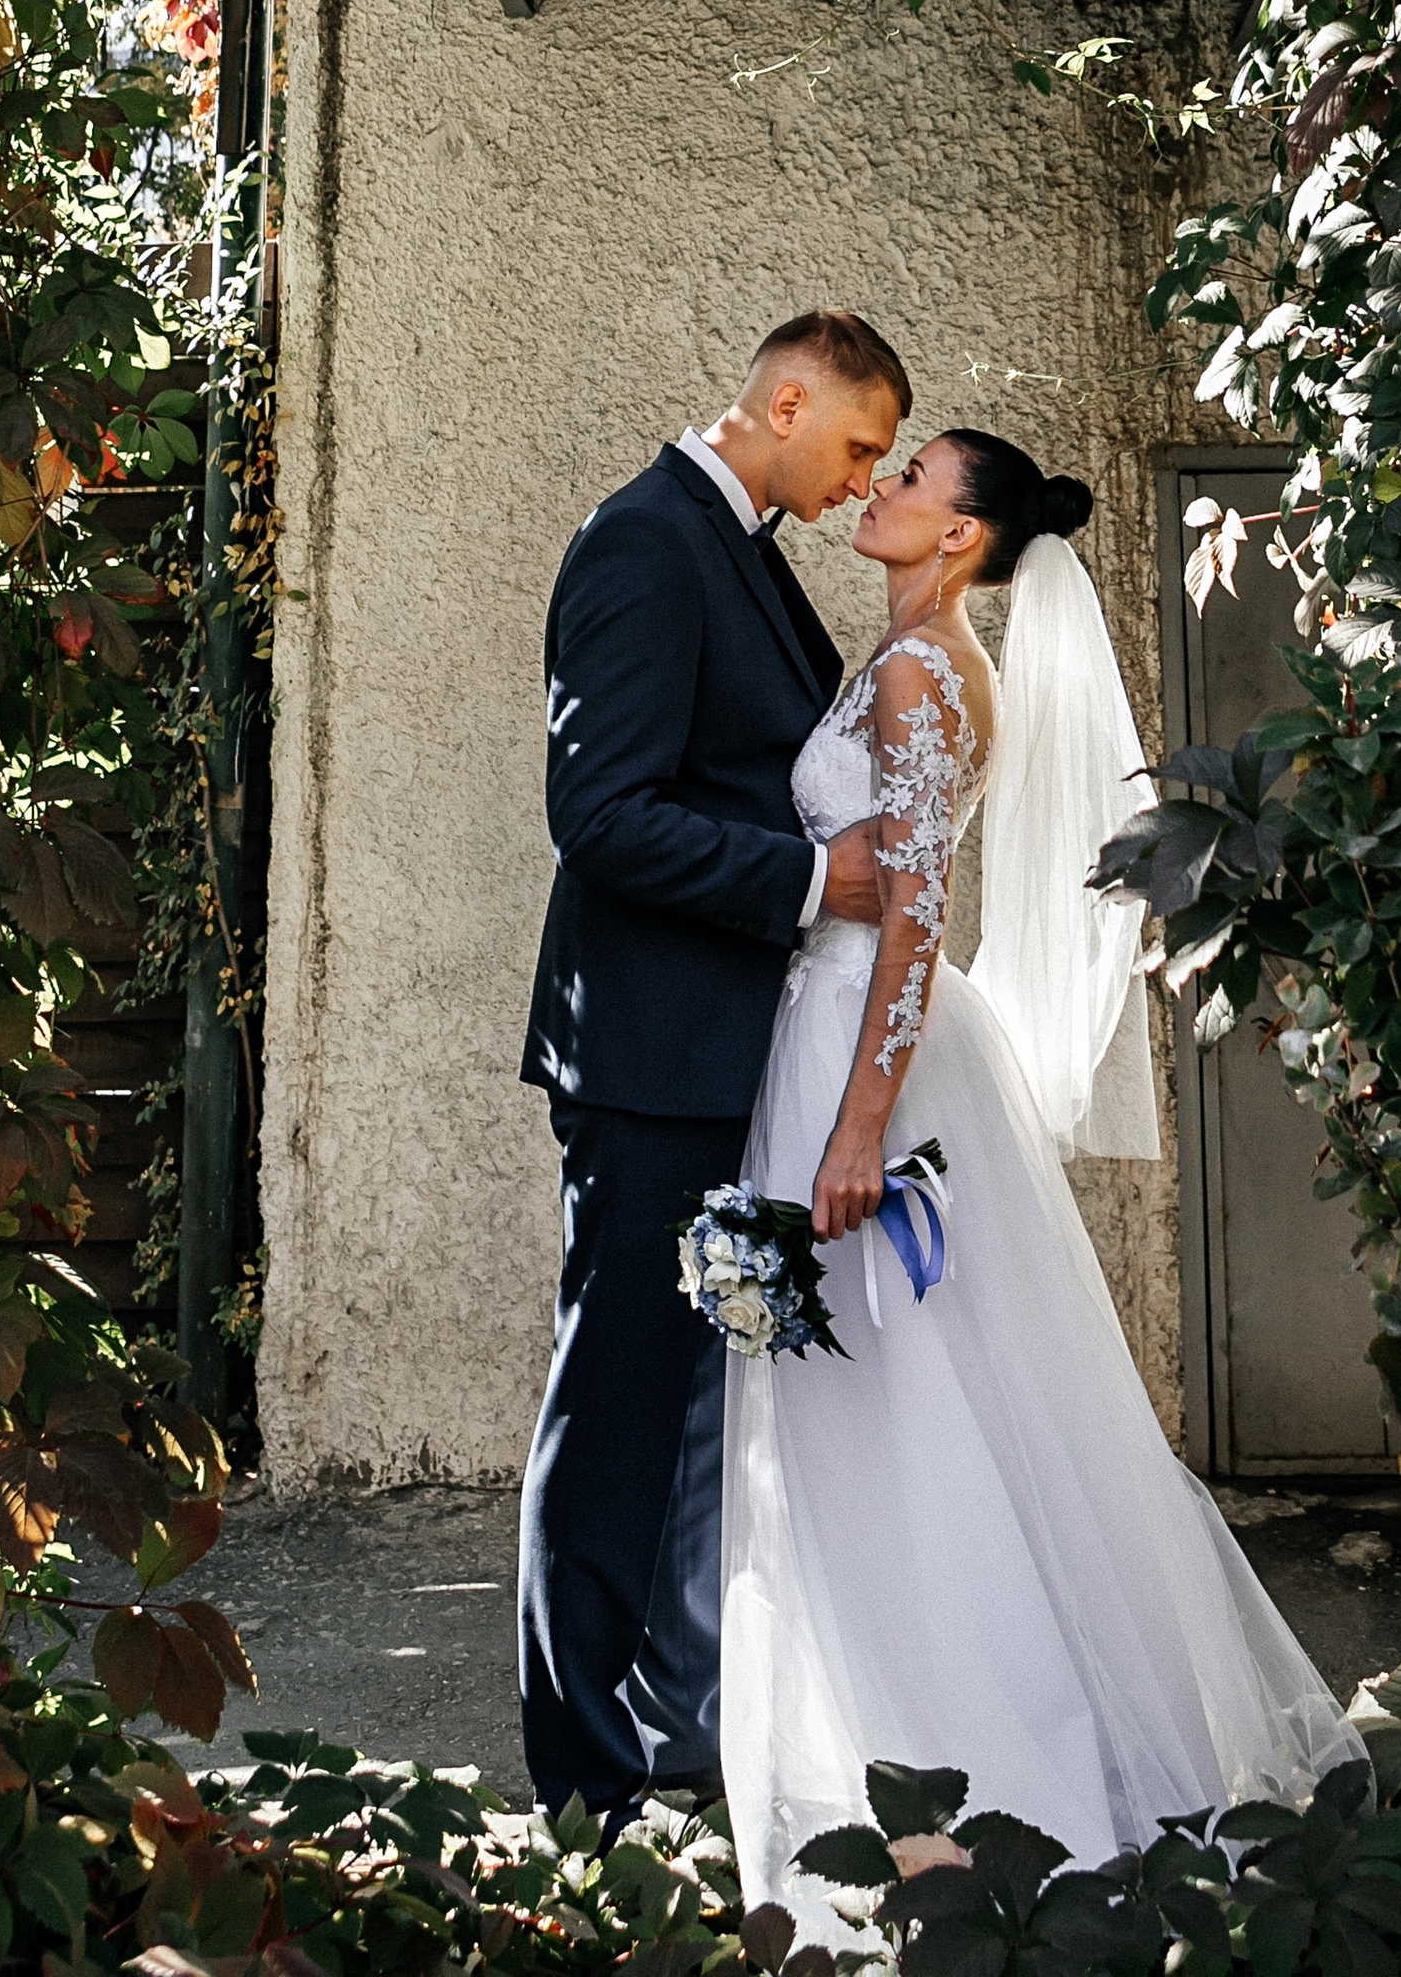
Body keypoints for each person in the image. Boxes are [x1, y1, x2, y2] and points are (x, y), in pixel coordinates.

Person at [720, 429, 1364, 1911]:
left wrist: (863, 1120)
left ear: (959, 538)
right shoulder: (901, 658)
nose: (879, 487)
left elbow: (914, 913)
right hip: (836, 1044)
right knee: (890, 1408)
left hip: (865, 1062)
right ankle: (906, 1766)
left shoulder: (926, 671)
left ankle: (993, 1782)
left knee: (900, 1412)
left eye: (912, 478)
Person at [518, 310, 913, 1831]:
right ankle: (582, 1781)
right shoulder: (644, 542)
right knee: (614, 1412)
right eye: (860, 446)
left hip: (722, 1050)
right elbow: (600, 815)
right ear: (789, 396)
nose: (861, 479)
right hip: (647, 1053)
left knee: (688, 1414)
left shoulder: (739, 544)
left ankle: (675, 1737)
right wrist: (821, 889)